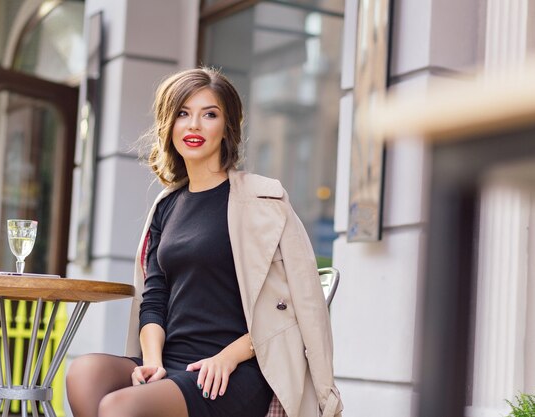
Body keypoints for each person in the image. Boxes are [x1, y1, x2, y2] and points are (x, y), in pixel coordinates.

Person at [66, 67, 343, 417]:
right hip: (172, 361)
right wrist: (152, 363)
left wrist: (229, 357)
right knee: (84, 373)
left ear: (227, 128)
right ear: (169, 125)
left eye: (209, 114)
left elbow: (298, 305)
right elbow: (154, 299)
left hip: (234, 369)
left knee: (121, 408)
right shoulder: (165, 207)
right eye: (183, 113)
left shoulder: (264, 200)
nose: (194, 125)